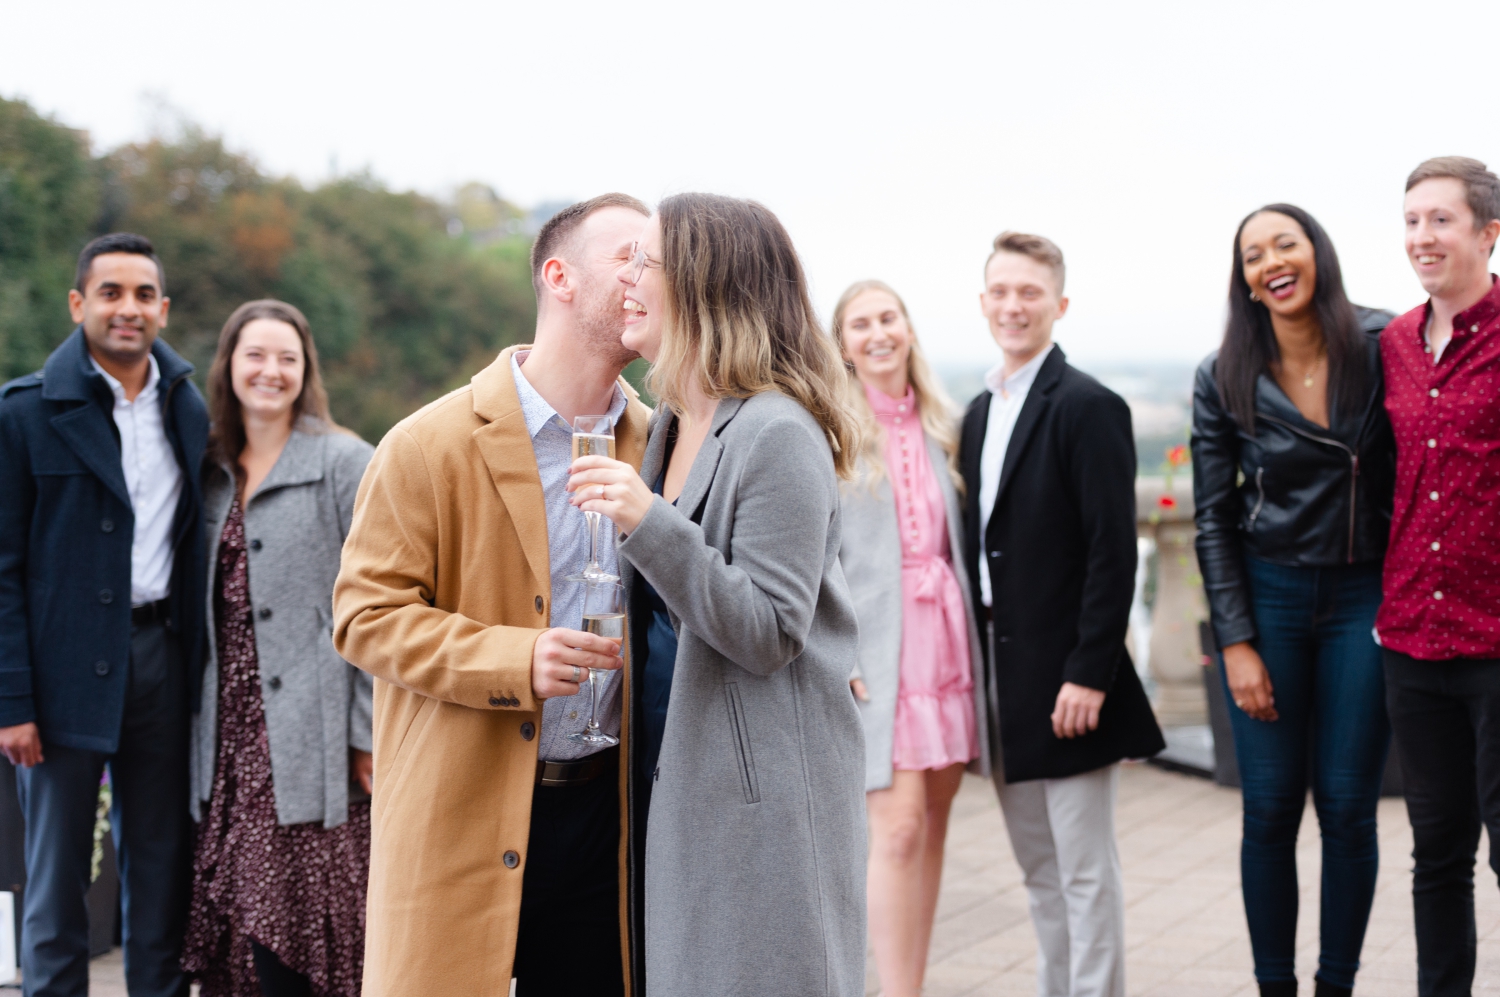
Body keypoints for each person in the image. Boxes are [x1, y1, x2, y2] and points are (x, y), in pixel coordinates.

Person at [332, 193, 652, 997]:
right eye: (630, 257)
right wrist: (518, 656)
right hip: (458, 806)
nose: (652, 276)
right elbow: (364, 618)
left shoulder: (665, 444)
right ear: (559, 277)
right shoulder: (424, 443)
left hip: (609, 824)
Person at [566, 193, 866, 997]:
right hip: (673, 778)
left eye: (645, 261)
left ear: (703, 285)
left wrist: (647, 520)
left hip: (758, 806)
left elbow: (770, 629)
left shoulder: (778, 432)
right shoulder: (666, 422)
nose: (627, 278)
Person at [1192, 205, 1396, 997]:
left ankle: (1335, 985)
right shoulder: (1223, 373)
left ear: (1318, 253)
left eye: (1286, 243)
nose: (1270, 262)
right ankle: (1274, 986)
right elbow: (1211, 515)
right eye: (1252, 254)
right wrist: (1236, 639)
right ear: (1243, 277)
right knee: (1271, 809)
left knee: (1348, 807)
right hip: (1269, 596)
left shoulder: (1385, 345)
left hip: (1364, 594)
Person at [0, 233, 208, 997]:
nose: (129, 309)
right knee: (54, 881)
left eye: (144, 295)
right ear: (78, 303)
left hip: (161, 660)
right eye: (112, 292)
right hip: (57, 675)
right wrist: (11, 701)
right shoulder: (24, 413)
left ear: (163, 309)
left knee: (159, 871)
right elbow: (2, 570)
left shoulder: (188, 408)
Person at [959, 231, 1163, 997]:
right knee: (1039, 873)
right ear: (983, 303)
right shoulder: (979, 411)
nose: (1014, 306)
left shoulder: (1089, 406)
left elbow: (1115, 554)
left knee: (1084, 872)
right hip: (1002, 676)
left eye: (1030, 293)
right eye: (1001, 292)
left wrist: (1089, 674)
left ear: (1060, 304)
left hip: (1071, 679)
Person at [179, 300, 375, 997]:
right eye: (255, 355)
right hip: (226, 739)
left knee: (305, 935)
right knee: (239, 933)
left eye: (287, 357)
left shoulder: (345, 462)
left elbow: (388, 605)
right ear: (229, 365)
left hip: (312, 745)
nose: (271, 370)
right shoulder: (206, 468)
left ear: (306, 370)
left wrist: (365, 734)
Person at [830, 280, 989, 997]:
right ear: (842, 344)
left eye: (887, 317)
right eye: (859, 324)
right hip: (878, 652)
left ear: (909, 329)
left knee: (930, 825)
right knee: (891, 833)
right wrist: (838, 651)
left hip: (946, 641)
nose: (877, 333)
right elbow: (813, 552)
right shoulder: (828, 430)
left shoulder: (943, 426)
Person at [1377, 156, 1500, 997]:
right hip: (1413, 638)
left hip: (1499, 638)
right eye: (1413, 219)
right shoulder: (1391, 343)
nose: (1423, 236)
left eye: (1441, 220)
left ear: (1488, 234)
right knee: (1437, 852)